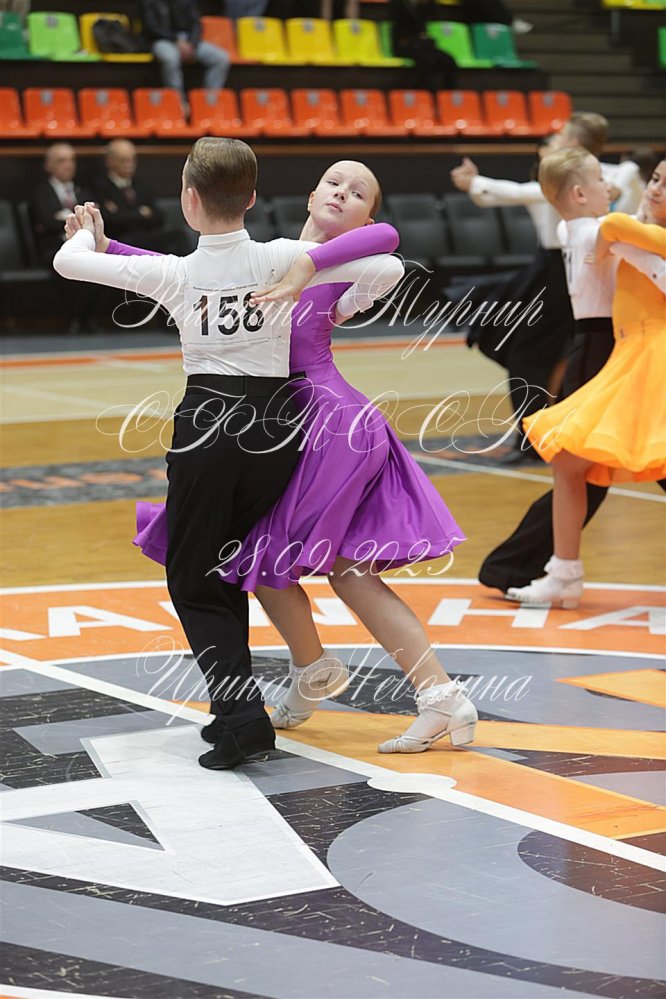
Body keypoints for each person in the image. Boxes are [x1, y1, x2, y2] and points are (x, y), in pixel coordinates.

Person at [103, 160, 478, 755]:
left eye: (358, 192)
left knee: (320, 566)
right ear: (309, 195)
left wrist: (308, 267)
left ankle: (409, 690)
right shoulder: (265, 254)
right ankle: (341, 674)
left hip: (328, 425)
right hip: (279, 423)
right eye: (334, 182)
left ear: (365, 218)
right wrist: (107, 248)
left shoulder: (352, 266)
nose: (342, 192)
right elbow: (180, 270)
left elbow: (390, 241)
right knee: (265, 558)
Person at [54, 139, 404, 770]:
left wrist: (87, 239)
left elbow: (67, 263)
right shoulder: (282, 256)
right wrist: (311, 263)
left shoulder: (183, 273)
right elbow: (386, 248)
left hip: (210, 425)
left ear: (189, 200)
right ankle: (253, 703)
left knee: (194, 577)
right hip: (279, 428)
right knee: (224, 563)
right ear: (251, 199)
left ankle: (243, 718)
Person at [480, 153, 666, 593]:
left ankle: (550, 570)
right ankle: (553, 570)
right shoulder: (594, 229)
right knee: (579, 462)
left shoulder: (591, 226)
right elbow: (627, 235)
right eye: (602, 179)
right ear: (581, 193)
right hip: (604, 347)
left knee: (584, 461)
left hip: (621, 349)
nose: (612, 187)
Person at [450, 113, 644, 463]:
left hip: (566, 278)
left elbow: (514, 192)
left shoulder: (581, 180)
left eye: (558, 137)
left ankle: (540, 437)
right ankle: (549, 433)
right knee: (555, 355)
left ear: (573, 143)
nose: (550, 142)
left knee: (540, 355)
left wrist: (476, 182)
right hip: (558, 273)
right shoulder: (597, 177)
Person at [92, 140, 191, 254]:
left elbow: (159, 216)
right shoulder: (99, 187)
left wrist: (127, 215)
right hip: (120, 240)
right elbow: (111, 221)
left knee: (177, 235)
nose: (129, 164)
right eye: (123, 160)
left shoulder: (140, 185)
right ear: (109, 161)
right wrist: (141, 214)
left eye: (132, 160)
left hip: (146, 237)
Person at [139, 0, 229, 111]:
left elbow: (196, 24)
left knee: (221, 58)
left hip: (187, 40)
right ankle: (178, 102)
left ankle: (210, 102)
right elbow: (151, 28)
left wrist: (192, 43)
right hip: (161, 39)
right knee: (170, 58)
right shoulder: (148, 2)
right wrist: (176, 40)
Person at [29, 143, 93, 266]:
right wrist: (78, 220)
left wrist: (63, 217)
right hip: (55, 248)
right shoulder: (41, 193)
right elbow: (47, 223)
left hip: (85, 247)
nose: (69, 165)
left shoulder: (84, 191)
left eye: (72, 160)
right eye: (62, 161)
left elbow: (95, 219)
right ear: (48, 165)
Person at [387, 0, 457, 92]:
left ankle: (448, 93)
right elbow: (398, 23)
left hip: (423, 45)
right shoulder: (399, 4)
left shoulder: (425, 6)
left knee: (449, 60)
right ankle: (421, 91)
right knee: (428, 61)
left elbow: (435, 16)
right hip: (405, 44)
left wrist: (425, 6)